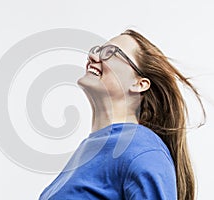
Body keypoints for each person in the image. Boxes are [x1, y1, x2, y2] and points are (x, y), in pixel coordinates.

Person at [39, 29, 206, 200]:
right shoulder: (89, 150)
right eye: (97, 50)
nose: (93, 56)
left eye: (110, 53)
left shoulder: (142, 149)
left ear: (139, 84)